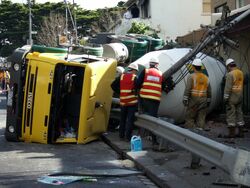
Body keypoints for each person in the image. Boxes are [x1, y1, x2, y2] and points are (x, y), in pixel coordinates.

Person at [136, 57, 163, 145]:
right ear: (157, 65)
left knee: (143, 117)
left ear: (150, 64)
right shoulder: (160, 73)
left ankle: (140, 134)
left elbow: (138, 84)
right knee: (153, 119)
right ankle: (154, 140)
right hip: (155, 100)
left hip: (144, 98)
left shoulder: (145, 71)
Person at [111, 63, 138, 141]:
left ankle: (121, 135)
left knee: (122, 119)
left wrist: (120, 92)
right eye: (135, 71)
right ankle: (127, 137)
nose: (135, 72)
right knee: (129, 120)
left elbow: (112, 85)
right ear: (133, 70)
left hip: (123, 102)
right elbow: (138, 87)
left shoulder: (121, 76)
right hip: (132, 103)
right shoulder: (134, 77)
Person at [183, 58, 211, 130]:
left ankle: (190, 132)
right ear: (201, 67)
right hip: (203, 99)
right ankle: (200, 132)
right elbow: (209, 90)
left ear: (193, 66)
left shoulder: (191, 76)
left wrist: (185, 98)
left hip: (193, 100)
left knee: (190, 116)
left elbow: (188, 88)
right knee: (201, 116)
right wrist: (208, 100)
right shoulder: (206, 77)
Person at [223, 58, 245, 138]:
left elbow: (227, 88)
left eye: (227, 67)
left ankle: (231, 133)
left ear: (229, 66)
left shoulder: (230, 74)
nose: (227, 69)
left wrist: (225, 99)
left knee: (231, 114)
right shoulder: (241, 73)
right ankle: (241, 132)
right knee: (239, 113)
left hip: (232, 98)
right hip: (240, 97)